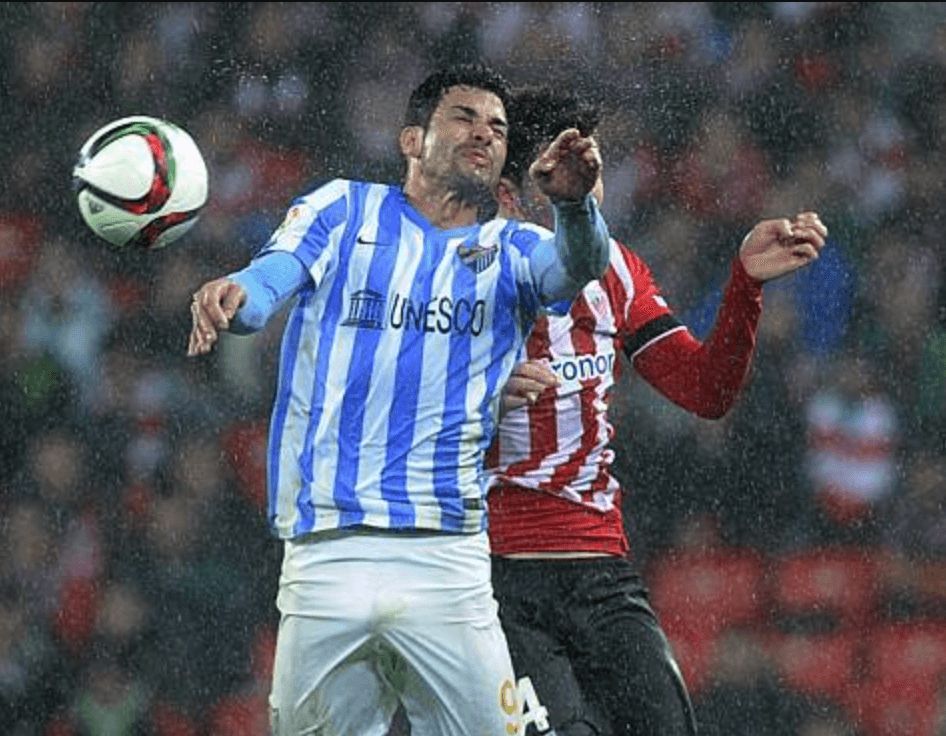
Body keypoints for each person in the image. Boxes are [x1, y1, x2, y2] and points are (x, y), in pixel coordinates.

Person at [186, 64, 611, 736]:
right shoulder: (342, 208)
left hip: (445, 557)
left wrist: (575, 205)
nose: (485, 134)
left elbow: (578, 265)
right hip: (328, 549)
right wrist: (234, 295)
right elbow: (268, 281)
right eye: (465, 118)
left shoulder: (514, 246)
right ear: (412, 139)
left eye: (498, 128)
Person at [486, 87, 828, 735]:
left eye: (588, 169)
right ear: (509, 193)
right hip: (500, 577)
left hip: (600, 569)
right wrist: (481, 391)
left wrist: (744, 287)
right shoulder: (468, 270)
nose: (579, 184)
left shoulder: (616, 269)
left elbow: (705, 391)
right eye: (555, 172)